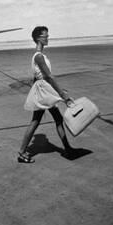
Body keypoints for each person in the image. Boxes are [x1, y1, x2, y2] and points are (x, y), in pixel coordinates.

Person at [18, 26, 74, 163]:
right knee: (37, 121)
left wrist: (54, 91)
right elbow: (48, 76)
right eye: (45, 36)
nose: (48, 38)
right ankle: (21, 153)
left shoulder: (39, 56)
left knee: (54, 119)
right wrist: (61, 93)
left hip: (44, 91)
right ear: (38, 38)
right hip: (44, 92)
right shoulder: (38, 56)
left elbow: (37, 78)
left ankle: (67, 148)